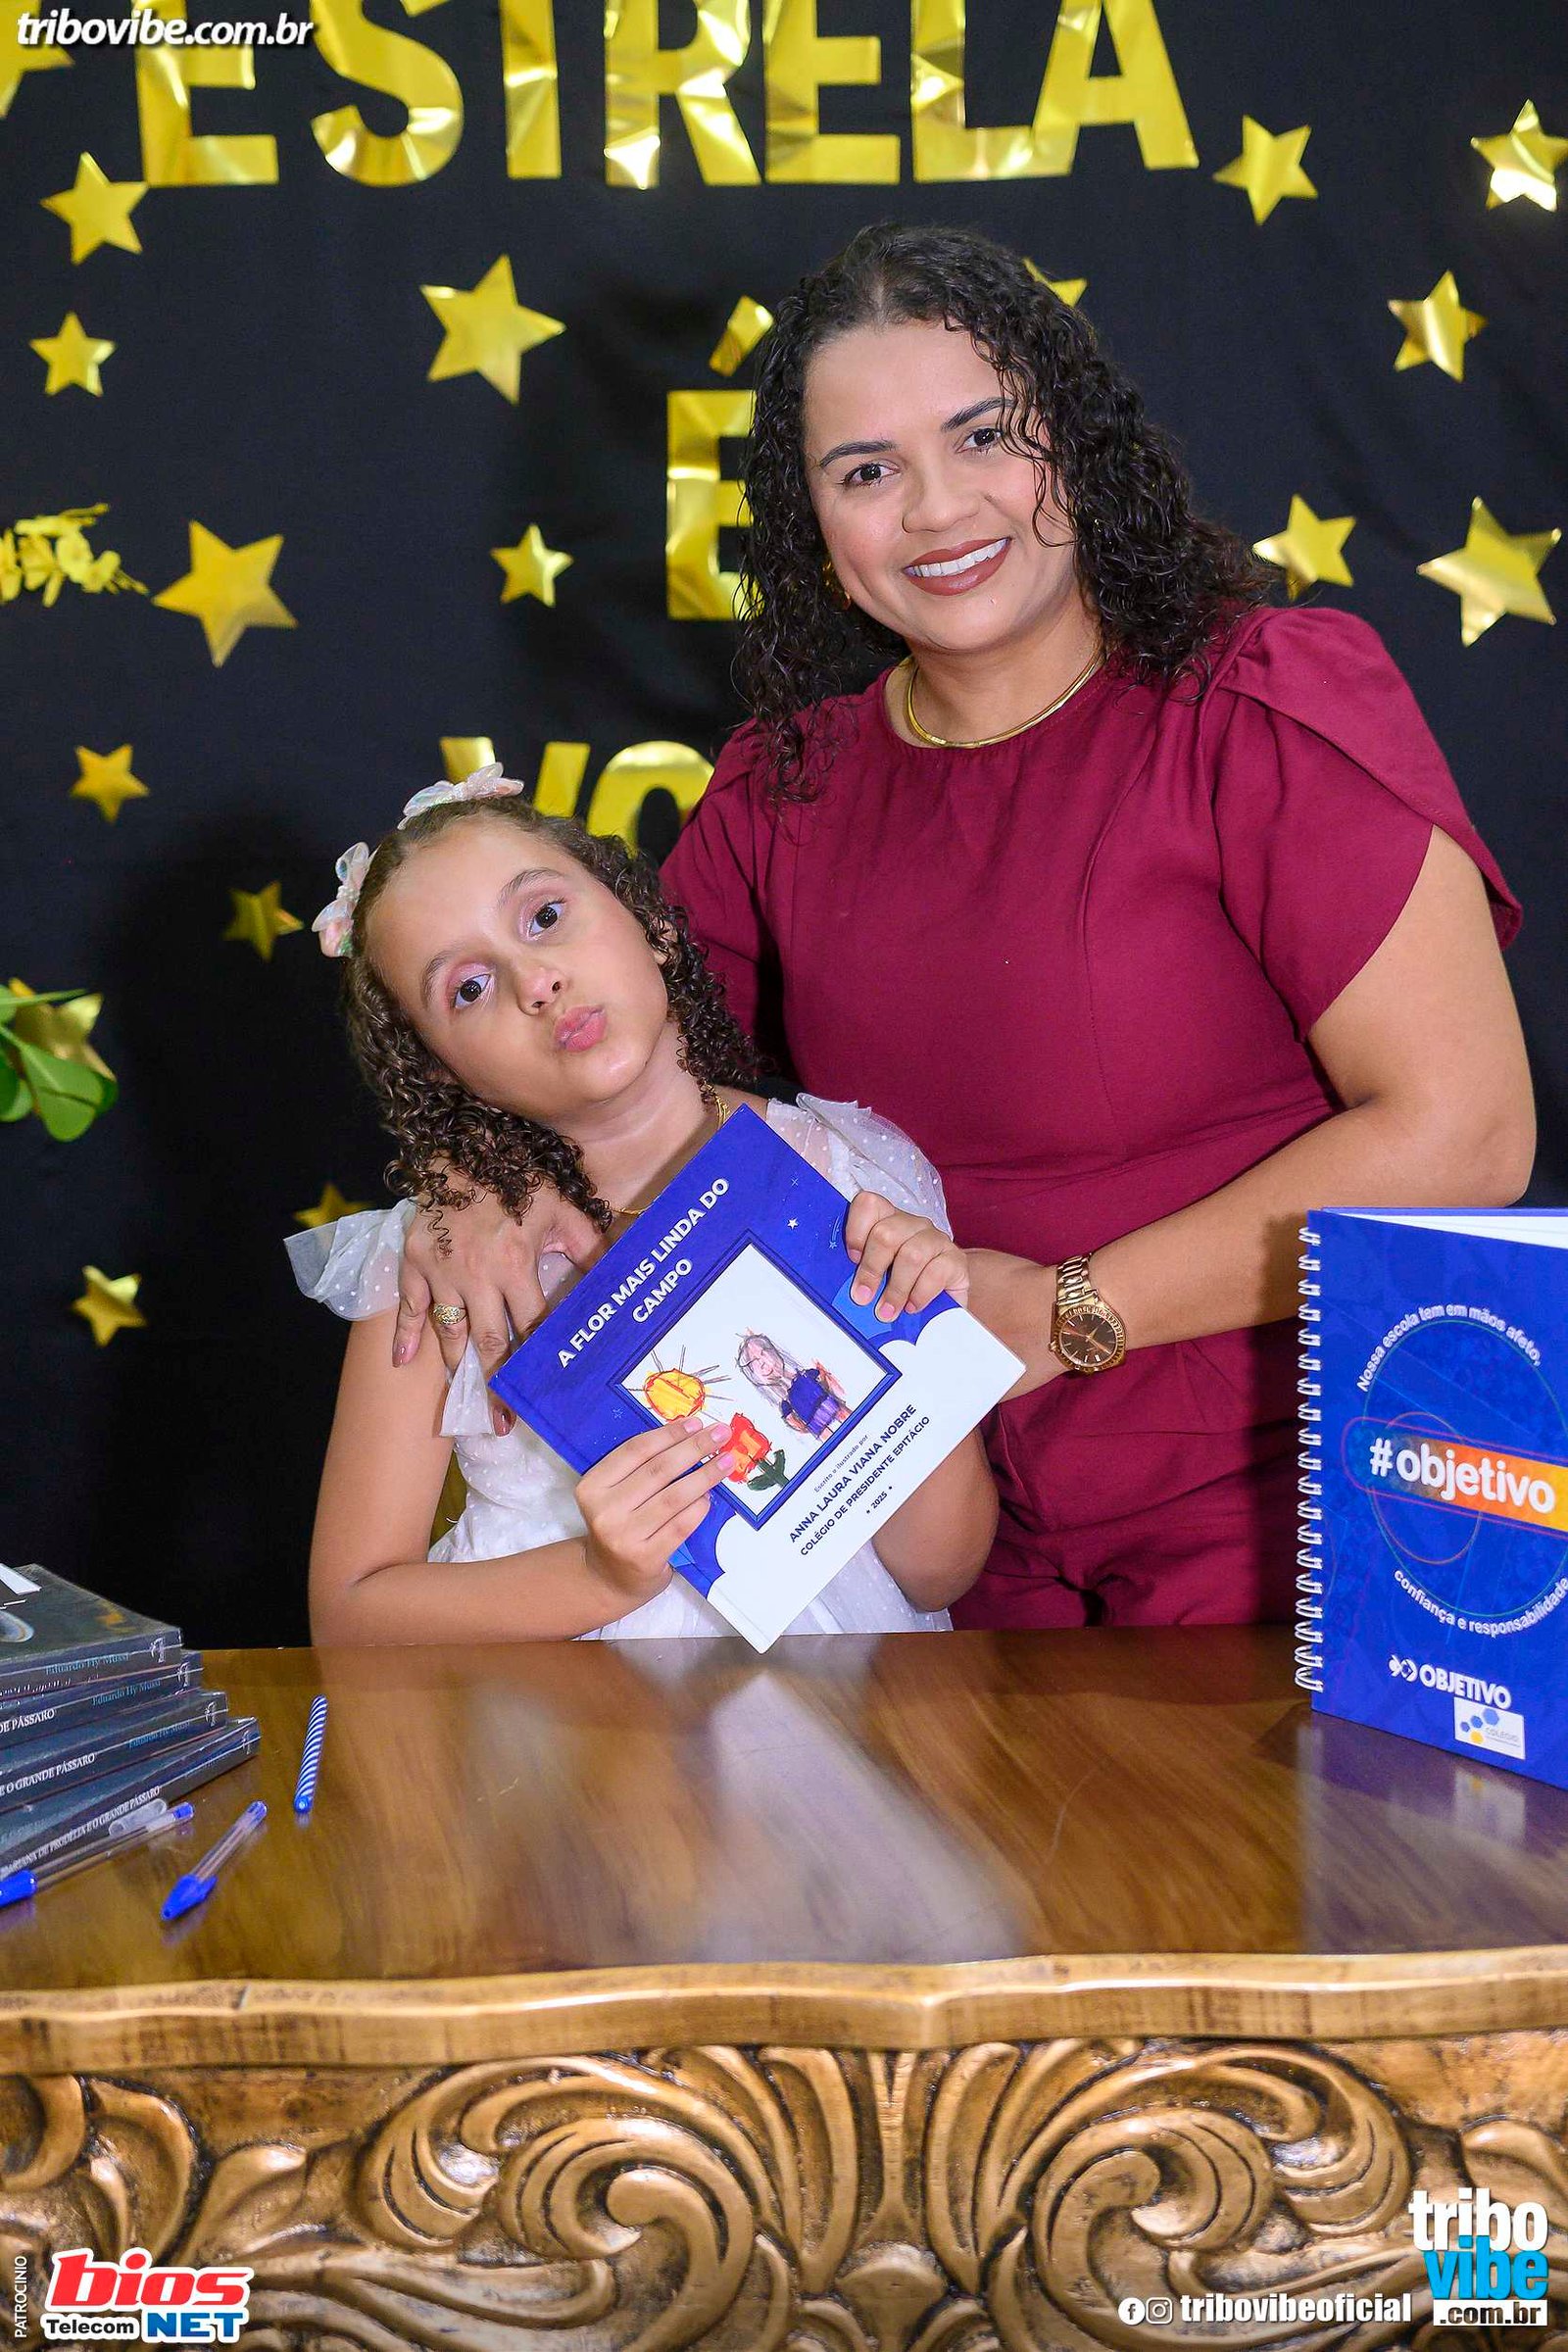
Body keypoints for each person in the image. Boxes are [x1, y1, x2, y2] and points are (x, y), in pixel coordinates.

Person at [394, 222, 1535, 1632]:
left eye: (985, 436)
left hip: (1297, 1504)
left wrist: (1065, 1311)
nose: (937, 509)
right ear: (818, 530)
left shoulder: (1260, 701)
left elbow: (1467, 1137)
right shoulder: (780, 788)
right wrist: (467, 1175)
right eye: (866, 472)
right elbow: (590, 1058)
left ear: (1076, 449)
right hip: (932, 1549)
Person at [288, 767, 995, 1643]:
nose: (535, 982)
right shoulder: (443, 1263)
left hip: (847, 1705)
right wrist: (598, 1575)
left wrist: (925, 1348)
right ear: (443, 1071)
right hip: (563, 1718)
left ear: (650, 921)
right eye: (467, 988)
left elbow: (937, 1574)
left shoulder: (852, 1173)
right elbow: (350, 1618)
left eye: (545, 916)